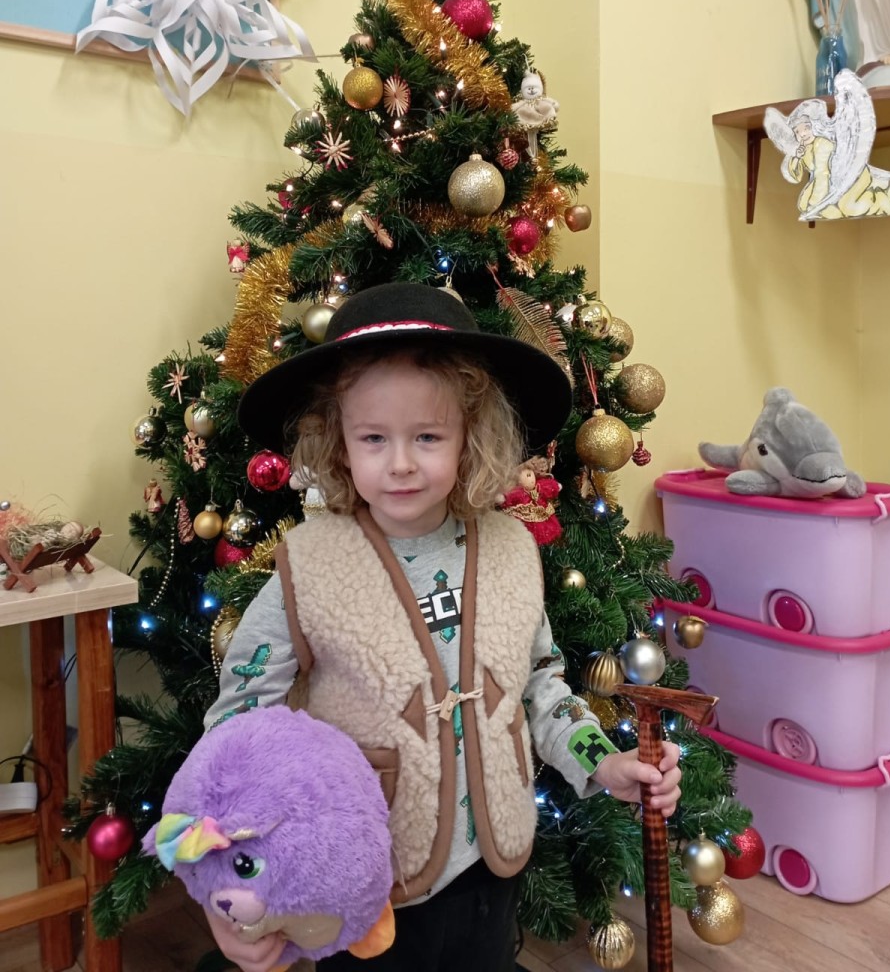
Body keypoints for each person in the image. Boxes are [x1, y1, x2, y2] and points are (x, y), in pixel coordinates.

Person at [201, 282, 681, 972]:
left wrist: (601, 761)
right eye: (373, 438)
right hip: (368, 881)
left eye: (427, 436)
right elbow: (240, 729)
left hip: (493, 869)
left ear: (469, 437)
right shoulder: (307, 568)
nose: (400, 462)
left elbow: (539, 685)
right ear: (338, 443)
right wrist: (231, 878)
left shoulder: (511, 551)